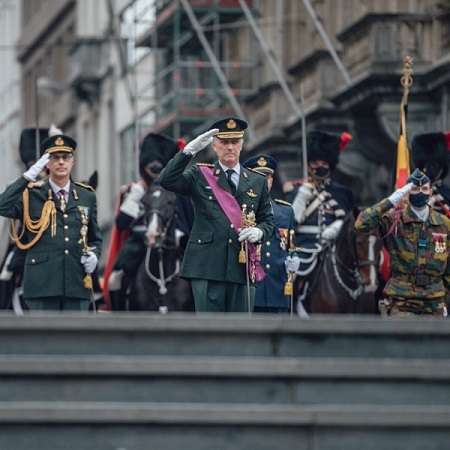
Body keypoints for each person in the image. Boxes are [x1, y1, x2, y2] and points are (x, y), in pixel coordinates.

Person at [158, 117, 274, 313]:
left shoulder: (257, 181)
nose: (230, 147)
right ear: (214, 145)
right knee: (210, 332)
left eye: (235, 142)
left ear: (242, 145)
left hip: (242, 266)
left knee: (241, 333)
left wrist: (259, 232)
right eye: (224, 142)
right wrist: (189, 151)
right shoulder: (200, 174)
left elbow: (268, 220)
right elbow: (166, 180)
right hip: (207, 266)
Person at [0, 134, 102, 311]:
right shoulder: (32, 194)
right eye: (55, 158)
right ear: (47, 163)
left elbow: (94, 238)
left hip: (76, 284)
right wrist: (26, 178)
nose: (61, 162)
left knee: (75, 337)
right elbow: (3, 206)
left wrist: (94, 255)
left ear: (72, 162)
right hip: (42, 285)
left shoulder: (87, 196)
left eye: (66, 157)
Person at [103, 132, 193, 311]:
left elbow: (188, 220)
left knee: (196, 276)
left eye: (159, 165)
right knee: (116, 278)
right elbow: (122, 224)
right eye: (151, 165)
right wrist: (133, 198)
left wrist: (179, 234)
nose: (154, 168)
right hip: (140, 243)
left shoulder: (178, 191)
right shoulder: (136, 189)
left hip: (173, 242)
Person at [355, 168, 450, 317]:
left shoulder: (444, 224)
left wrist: (446, 302)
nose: (420, 192)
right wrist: (389, 202)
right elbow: (361, 224)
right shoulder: (395, 220)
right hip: (403, 301)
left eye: (424, 189)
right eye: (415, 189)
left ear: (431, 192)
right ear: (407, 192)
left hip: (434, 301)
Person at [284, 130, 355, 299]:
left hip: (334, 248)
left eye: (324, 162)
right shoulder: (296, 190)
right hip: (304, 247)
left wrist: (338, 227)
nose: (320, 167)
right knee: (290, 281)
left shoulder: (342, 192)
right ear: (308, 164)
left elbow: (351, 220)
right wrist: (300, 198)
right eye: (316, 162)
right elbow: (289, 222)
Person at [243, 154, 296, 314]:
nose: (263, 181)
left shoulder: (286, 212)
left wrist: (294, 259)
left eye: (267, 177)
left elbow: (290, 246)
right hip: (251, 290)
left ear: (272, 180)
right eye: (258, 176)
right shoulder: (241, 210)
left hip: (278, 290)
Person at [411, 131, 450, 217]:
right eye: (427, 165)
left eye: (435, 165)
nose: (429, 169)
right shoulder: (410, 190)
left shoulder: (446, 192)